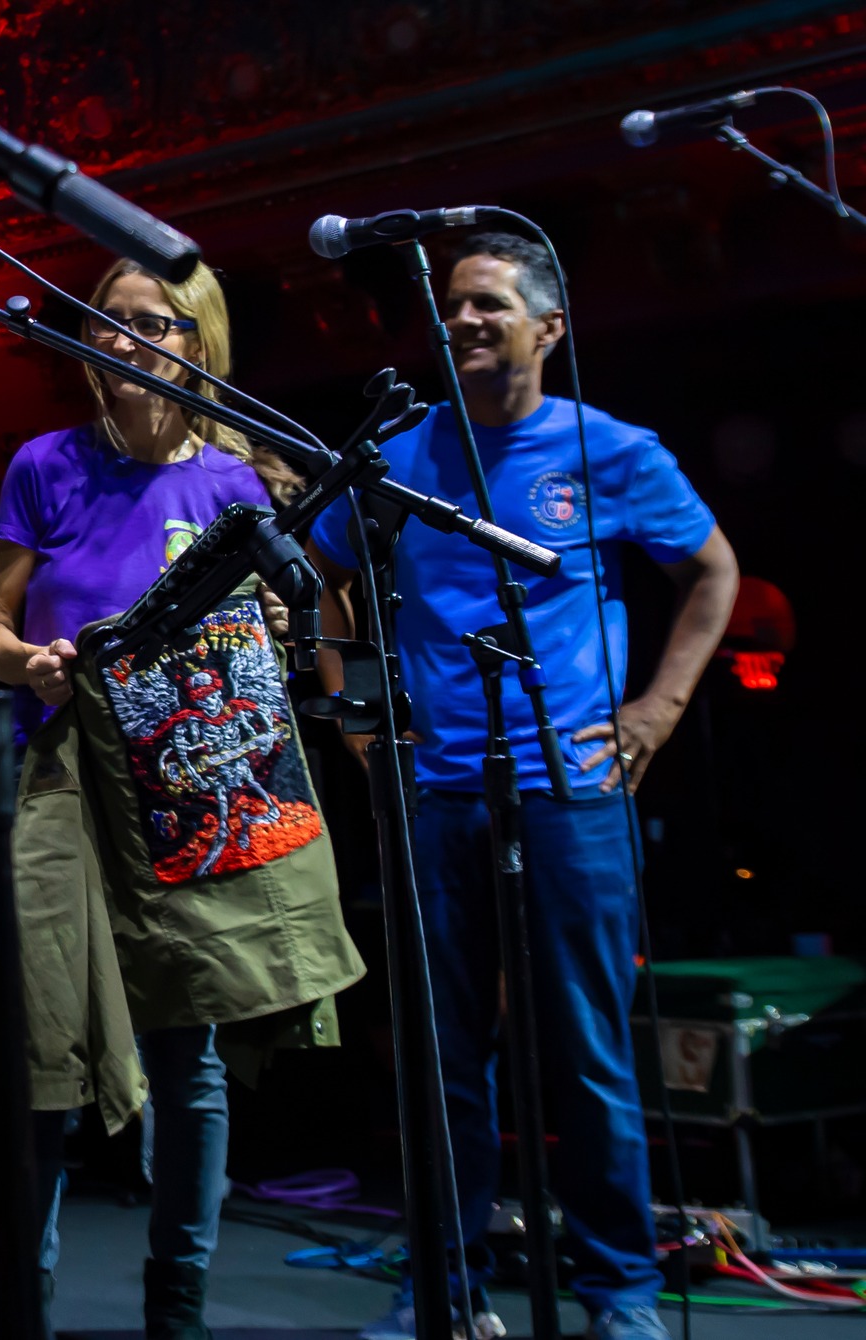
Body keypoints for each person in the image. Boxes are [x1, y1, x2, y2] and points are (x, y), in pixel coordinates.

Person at [310, 233, 739, 1340]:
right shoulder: (402, 452)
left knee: (587, 1049)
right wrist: (363, 715)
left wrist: (654, 711)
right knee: (445, 1054)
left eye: (489, 303)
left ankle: (619, 1291)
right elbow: (323, 573)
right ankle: (440, 1290)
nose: (463, 321)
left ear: (547, 328)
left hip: (570, 794)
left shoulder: (610, 448)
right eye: (451, 305)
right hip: (440, 795)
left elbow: (710, 571)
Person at [0, 258, 362, 1340]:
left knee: (188, 1060)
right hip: (60, 779)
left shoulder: (236, 489)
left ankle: (177, 1308)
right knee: (46, 1056)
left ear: (198, 344)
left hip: (187, 789)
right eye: (107, 323)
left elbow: (282, 635)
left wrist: (284, 637)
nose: (126, 340)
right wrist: (27, 665)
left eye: (152, 323)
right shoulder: (43, 466)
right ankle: (27, 1303)